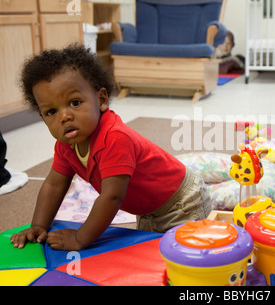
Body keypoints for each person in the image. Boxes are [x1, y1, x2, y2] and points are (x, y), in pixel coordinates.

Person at [10, 43, 211, 251]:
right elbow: (54, 185)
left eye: (75, 103)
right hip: (148, 210)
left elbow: (112, 196)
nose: (65, 116)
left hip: (182, 202)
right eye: (51, 111)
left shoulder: (114, 138)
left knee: (187, 259)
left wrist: (80, 238)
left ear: (102, 99)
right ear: (42, 118)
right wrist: (39, 225)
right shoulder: (65, 145)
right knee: (150, 260)